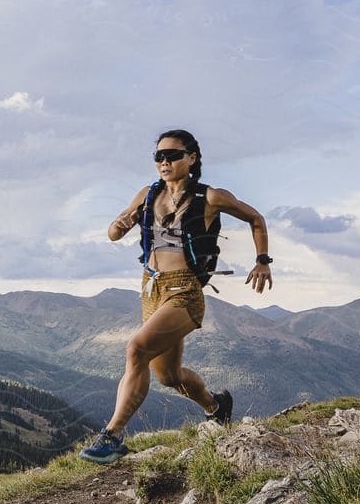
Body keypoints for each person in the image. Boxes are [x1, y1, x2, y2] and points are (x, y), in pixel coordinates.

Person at [78, 128, 272, 465]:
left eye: (173, 155)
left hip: (185, 292)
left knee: (135, 348)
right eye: (159, 156)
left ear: (192, 158)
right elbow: (113, 233)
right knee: (168, 376)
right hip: (151, 288)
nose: (164, 162)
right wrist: (120, 224)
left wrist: (262, 261)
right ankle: (216, 406)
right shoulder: (148, 194)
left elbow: (255, 218)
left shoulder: (211, 197)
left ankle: (112, 437)